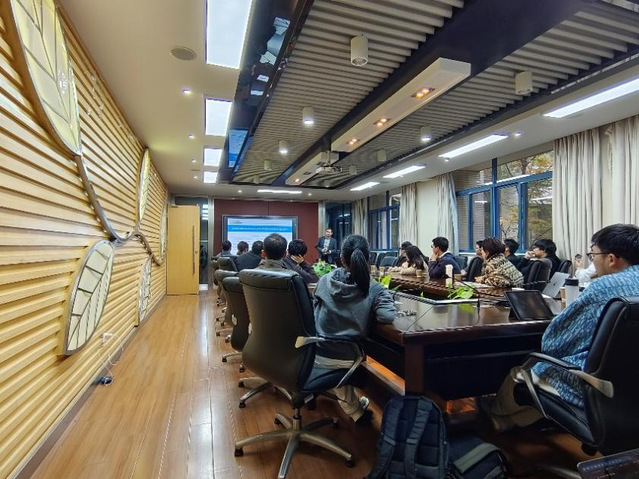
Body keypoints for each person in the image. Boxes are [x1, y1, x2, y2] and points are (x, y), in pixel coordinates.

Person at [489, 224, 639, 430]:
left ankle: (493, 417)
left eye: (593, 255)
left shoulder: (603, 287)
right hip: (630, 387)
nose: (592, 261)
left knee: (524, 372)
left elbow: (554, 344)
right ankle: (509, 423)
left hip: (597, 386)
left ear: (611, 259)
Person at [312, 235, 397, 423]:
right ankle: (355, 410)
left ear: (342, 259)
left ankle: (355, 409)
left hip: (314, 352)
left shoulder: (324, 280)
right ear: (368, 258)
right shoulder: (373, 288)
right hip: (346, 357)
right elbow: (386, 316)